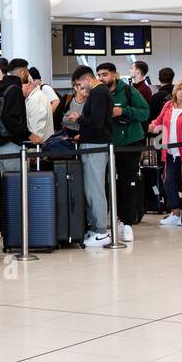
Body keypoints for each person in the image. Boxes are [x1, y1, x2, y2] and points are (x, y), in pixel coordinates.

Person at [97, 61, 150, 241]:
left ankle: (127, 223)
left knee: (128, 183)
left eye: (105, 74)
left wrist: (123, 111)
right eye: (99, 75)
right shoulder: (98, 93)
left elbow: (144, 112)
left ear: (114, 75)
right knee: (108, 183)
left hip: (129, 142)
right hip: (107, 144)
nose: (102, 78)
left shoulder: (129, 91)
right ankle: (112, 220)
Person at [70, 66, 113, 246]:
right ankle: (96, 228)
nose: (80, 88)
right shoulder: (100, 93)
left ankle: (101, 230)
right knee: (91, 187)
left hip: (96, 144)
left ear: (87, 79)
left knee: (95, 188)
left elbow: (97, 122)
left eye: (80, 84)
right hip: (93, 143)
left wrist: (78, 119)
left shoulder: (98, 93)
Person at [147, 79, 182, 227]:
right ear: (175, 91)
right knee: (168, 181)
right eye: (180, 89)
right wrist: (153, 126)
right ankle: (175, 211)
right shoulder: (168, 105)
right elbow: (158, 121)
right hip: (170, 151)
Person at [23, 65, 56, 143]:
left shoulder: (37, 98)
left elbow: (37, 131)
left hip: (40, 147)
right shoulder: (32, 98)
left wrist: (33, 149)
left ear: (28, 84)